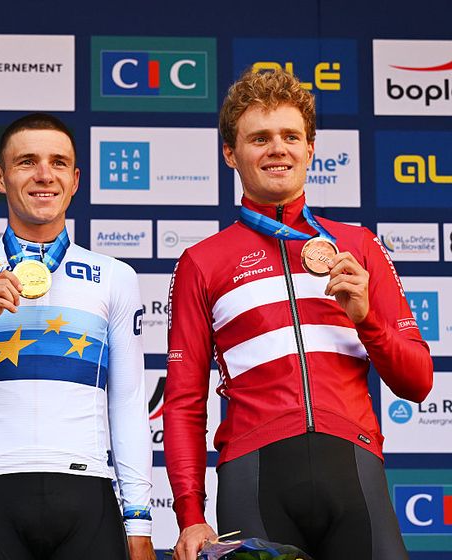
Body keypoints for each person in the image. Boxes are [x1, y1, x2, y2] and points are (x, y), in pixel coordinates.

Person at [163, 67, 434, 560]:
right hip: (254, 474)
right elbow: (183, 403)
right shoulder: (203, 262)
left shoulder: (357, 245)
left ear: (310, 149)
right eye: (259, 138)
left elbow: (417, 383)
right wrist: (189, 514)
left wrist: (367, 317)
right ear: (230, 153)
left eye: (291, 136)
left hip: (354, 470)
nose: (277, 149)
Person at [0, 113, 155, 559]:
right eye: (26, 162)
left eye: (58, 163)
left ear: (75, 180)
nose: (43, 175)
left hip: (88, 495)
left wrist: (138, 518)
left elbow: (130, 404)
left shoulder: (115, 277)